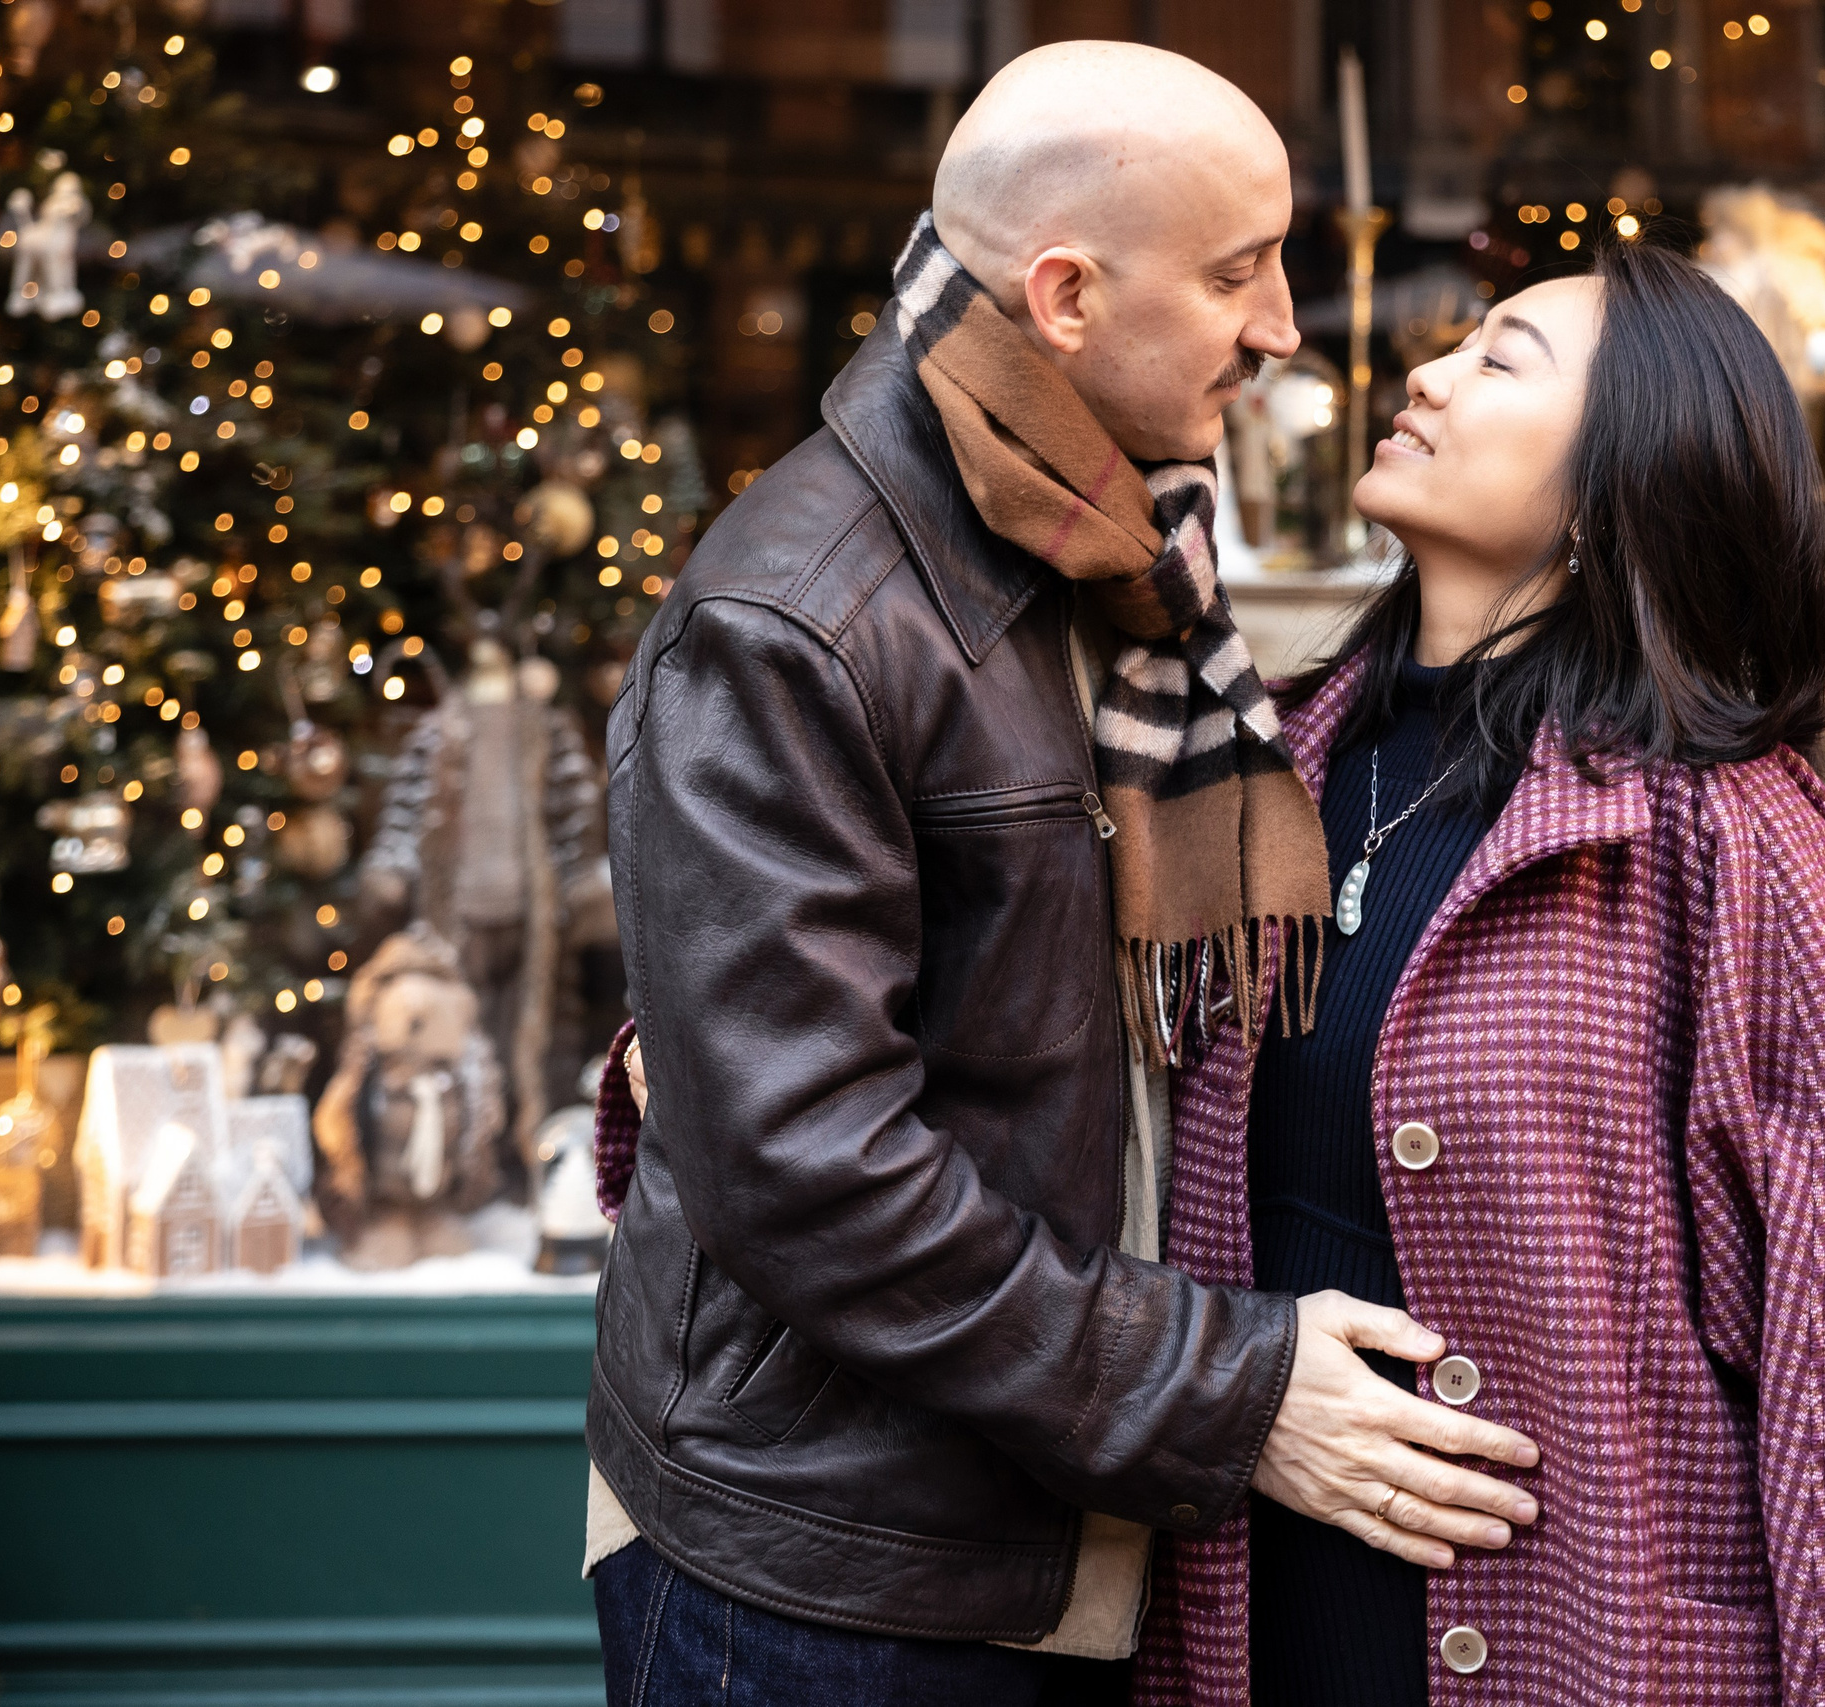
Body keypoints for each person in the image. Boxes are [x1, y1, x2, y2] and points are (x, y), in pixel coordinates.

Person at [585, 42, 1539, 1707]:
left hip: (1075, 1545)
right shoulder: (792, 620)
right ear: (1067, 297)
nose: (1284, 327)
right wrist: (1229, 1389)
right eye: (1238, 272)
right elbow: (808, 1170)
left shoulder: (1125, 548)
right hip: (838, 1584)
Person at [1134, 239, 1825, 1706]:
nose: (1423, 372)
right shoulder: (1258, 769)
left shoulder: (1725, 844)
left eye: (1500, 360)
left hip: (1587, 1653)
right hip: (1251, 1637)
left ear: (1622, 484)